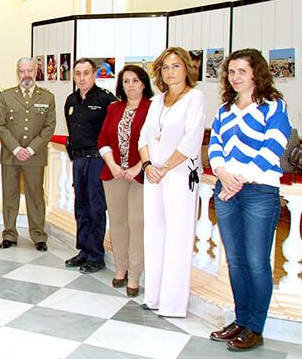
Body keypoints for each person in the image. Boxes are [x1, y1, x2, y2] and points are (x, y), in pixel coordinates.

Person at [208, 49, 291, 351]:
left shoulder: (274, 107)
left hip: (258, 191)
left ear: (256, 72)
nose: (235, 77)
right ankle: (241, 320)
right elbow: (215, 145)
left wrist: (238, 178)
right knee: (236, 260)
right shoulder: (225, 110)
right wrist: (221, 171)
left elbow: (273, 147)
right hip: (227, 190)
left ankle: (255, 327)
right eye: (231, 72)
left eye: (242, 71)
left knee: (257, 262)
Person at [137, 47, 205, 317]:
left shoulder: (195, 98)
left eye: (175, 66)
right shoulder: (157, 101)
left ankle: (172, 304)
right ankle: (153, 296)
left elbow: (190, 140)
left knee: (177, 237)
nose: (170, 71)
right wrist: (148, 165)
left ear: (186, 68)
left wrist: (163, 167)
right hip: (154, 175)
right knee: (154, 234)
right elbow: (144, 137)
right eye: (165, 67)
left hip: (178, 176)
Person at [96, 65, 153, 297]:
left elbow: (156, 142)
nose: (131, 85)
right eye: (127, 81)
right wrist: (113, 165)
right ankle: (120, 268)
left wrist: (139, 166)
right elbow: (103, 139)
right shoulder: (114, 108)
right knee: (118, 221)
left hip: (140, 175)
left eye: (136, 81)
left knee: (136, 222)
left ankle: (135, 274)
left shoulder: (153, 108)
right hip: (115, 173)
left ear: (143, 84)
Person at [0, 57, 55, 250]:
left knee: (36, 196)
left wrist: (29, 149)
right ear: (17, 72)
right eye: (22, 71)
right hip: (10, 155)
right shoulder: (6, 96)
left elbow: (49, 127)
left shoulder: (47, 97)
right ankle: (10, 234)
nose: (26, 75)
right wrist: (16, 148)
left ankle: (38, 235)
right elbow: (1, 125)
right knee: (9, 195)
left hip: (34, 156)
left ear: (35, 71)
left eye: (30, 71)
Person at [63, 58, 117, 273]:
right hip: (78, 160)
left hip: (97, 160)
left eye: (86, 73)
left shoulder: (105, 99)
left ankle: (96, 255)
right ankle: (83, 250)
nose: (82, 78)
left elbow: (113, 130)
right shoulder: (71, 100)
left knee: (96, 208)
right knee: (80, 206)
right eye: (78, 73)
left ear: (94, 74)